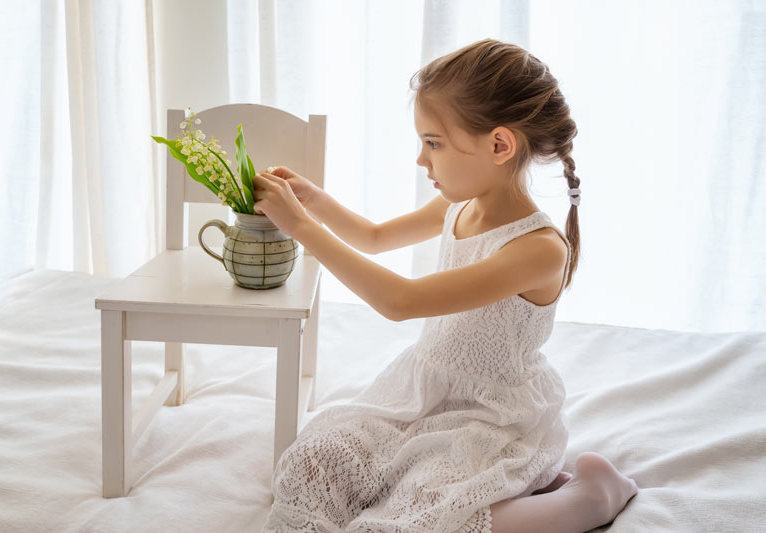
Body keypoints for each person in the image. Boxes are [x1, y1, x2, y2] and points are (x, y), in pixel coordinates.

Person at [253, 38, 638, 533]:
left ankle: (591, 496)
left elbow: (400, 301)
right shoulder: (458, 205)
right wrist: (314, 203)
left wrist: (300, 229)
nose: (421, 159)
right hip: (423, 393)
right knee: (313, 465)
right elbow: (373, 238)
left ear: (500, 145)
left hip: (490, 418)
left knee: (419, 519)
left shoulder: (538, 249)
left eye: (433, 143)